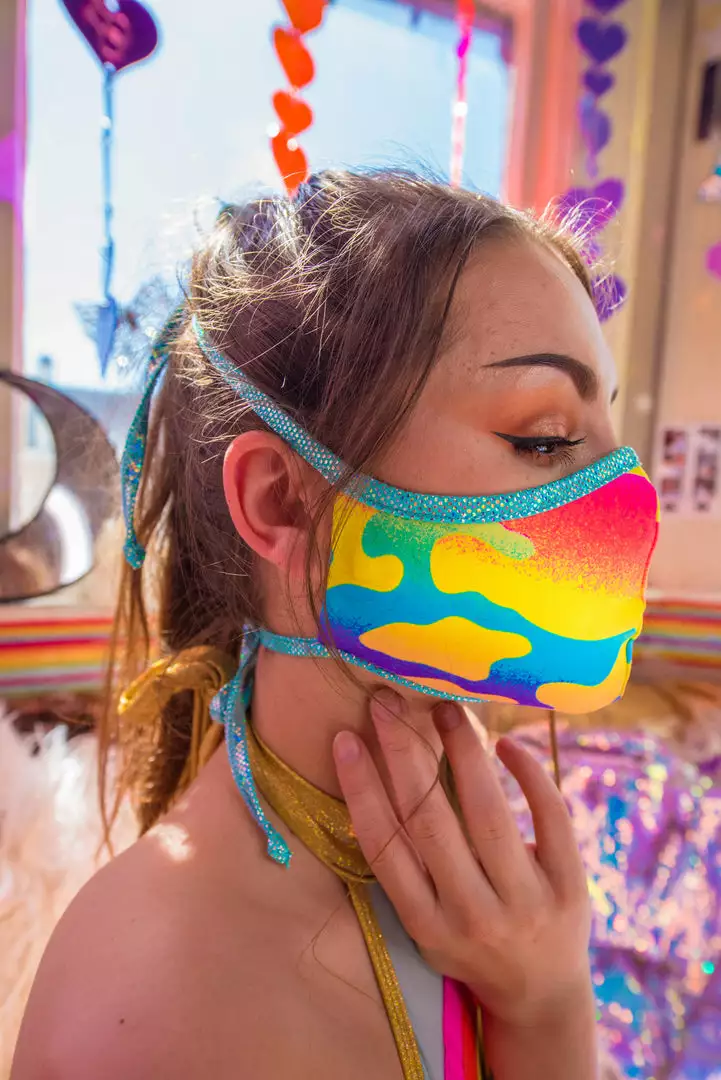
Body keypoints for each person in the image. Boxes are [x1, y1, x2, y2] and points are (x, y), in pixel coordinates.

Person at [11, 169, 659, 1080]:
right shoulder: (171, 1009)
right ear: (281, 500)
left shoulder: (477, 891)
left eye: (607, 426)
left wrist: (544, 1000)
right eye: (543, 437)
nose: (628, 494)